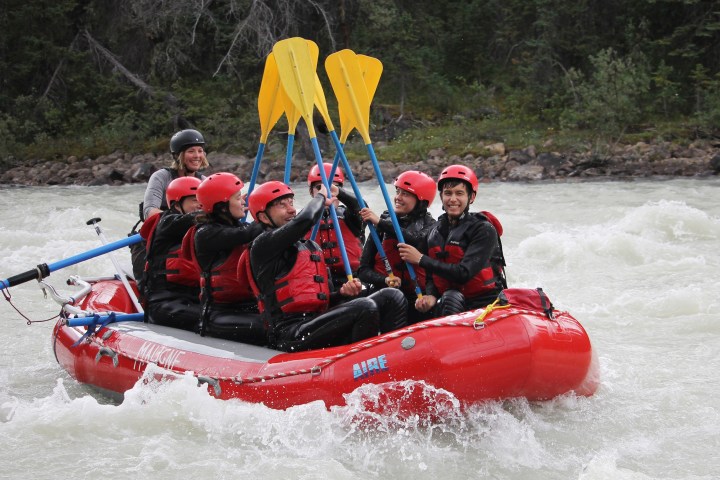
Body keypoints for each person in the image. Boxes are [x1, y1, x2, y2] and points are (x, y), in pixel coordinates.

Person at [247, 180, 408, 352]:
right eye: (281, 205)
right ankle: (362, 363)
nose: (292, 209)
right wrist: (322, 195)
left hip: (317, 322)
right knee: (365, 307)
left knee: (392, 296)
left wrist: (341, 293)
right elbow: (307, 218)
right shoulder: (262, 246)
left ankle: (393, 355)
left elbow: (326, 300)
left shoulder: (311, 247)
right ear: (264, 217)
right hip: (289, 332)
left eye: (291, 203)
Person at [398, 165, 507, 317]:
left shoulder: (483, 229)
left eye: (459, 193)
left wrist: (421, 259)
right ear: (441, 197)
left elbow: (463, 273)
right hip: (453, 302)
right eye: (448, 193)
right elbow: (431, 276)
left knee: (451, 296)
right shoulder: (434, 231)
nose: (453, 199)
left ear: (471, 197)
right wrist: (431, 295)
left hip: (484, 304)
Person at [131, 129, 209, 291]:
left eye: (200, 151)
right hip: (155, 239)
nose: (197, 155)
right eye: (191, 151)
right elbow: (150, 212)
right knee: (146, 286)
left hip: (189, 239)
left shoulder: (204, 181)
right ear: (178, 155)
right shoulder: (162, 177)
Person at [191, 172, 265, 344]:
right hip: (220, 314)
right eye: (238, 198)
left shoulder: (237, 227)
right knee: (276, 326)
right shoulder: (206, 233)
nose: (243, 202)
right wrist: (269, 212)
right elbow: (247, 233)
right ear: (222, 206)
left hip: (250, 307)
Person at [358, 170, 437, 325]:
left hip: (418, 299)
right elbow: (363, 270)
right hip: (384, 295)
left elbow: (416, 240)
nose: (398, 198)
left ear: (421, 201)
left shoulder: (431, 226)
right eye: (397, 192)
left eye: (406, 194)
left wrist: (380, 223)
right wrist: (385, 279)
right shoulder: (383, 222)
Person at [141, 176, 203, 331]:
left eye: (202, 200)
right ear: (176, 204)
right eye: (194, 200)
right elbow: (191, 220)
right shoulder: (167, 223)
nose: (200, 205)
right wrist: (219, 210)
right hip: (164, 303)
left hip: (195, 299)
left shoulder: (206, 230)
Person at [304, 163, 364, 291]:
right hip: (318, 284)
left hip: (351, 280)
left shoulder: (349, 217)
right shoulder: (302, 220)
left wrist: (340, 193)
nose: (327, 193)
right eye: (319, 188)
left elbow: (360, 207)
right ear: (311, 192)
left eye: (333, 188)